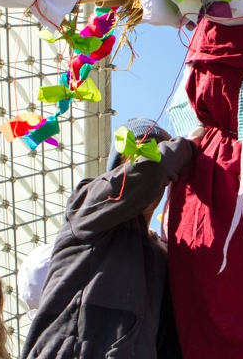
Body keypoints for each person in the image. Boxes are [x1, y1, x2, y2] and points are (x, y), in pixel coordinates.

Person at [22, 117, 197, 359]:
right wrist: (189, 145)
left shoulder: (163, 253)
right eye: (143, 152)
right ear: (117, 168)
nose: (153, 158)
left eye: (160, 150)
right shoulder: (87, 205)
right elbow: (150, 173)